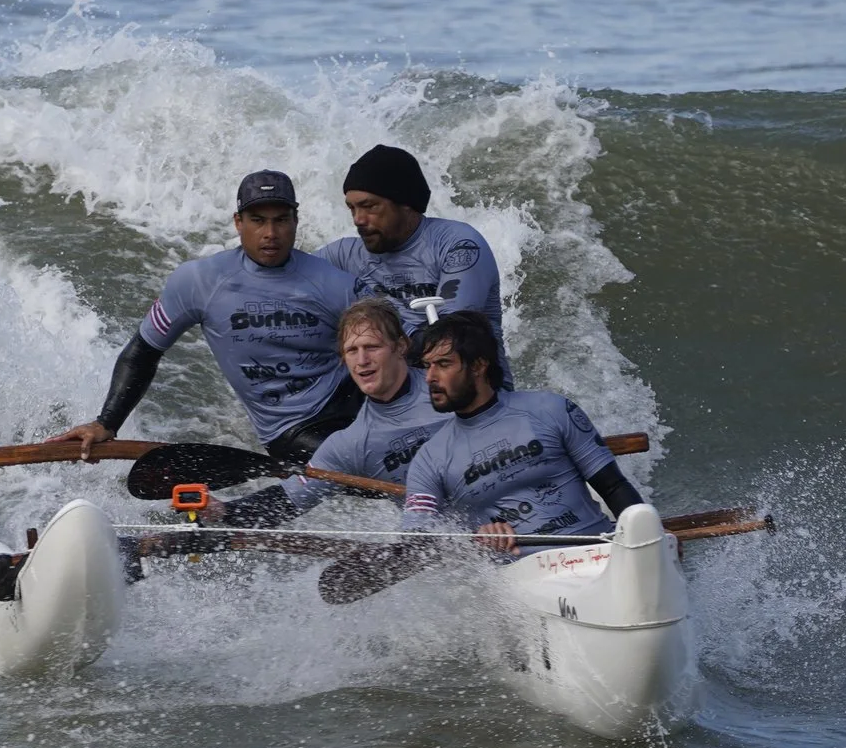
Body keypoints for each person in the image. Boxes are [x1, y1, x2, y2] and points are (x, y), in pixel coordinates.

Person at [52, 169, 360, 464]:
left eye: (281, 220)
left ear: (295, 220)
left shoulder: (334, 282)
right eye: (257, 221)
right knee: (360, 460)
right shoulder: (199, 282)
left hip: (357, 402)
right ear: (238, 222)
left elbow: (382, 345)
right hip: (294, 428)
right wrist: (106, 423)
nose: (270, 233)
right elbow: (144, 351)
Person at [398, 309, 643, 556]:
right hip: (520, 572)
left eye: (443, 364)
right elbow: (416, 543)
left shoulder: (551, 409)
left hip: (599, 554)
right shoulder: (429, 460)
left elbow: (613, 487)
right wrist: (472, 538)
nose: (429, 377)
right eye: (427, 366)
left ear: (478, 366)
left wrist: (645, 539)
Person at [200, 298, 442, 527]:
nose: (362, 360)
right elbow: (287, 500)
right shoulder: (351, 443)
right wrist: (222, 511)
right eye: (352, 350)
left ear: (400, 346)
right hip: (438, 541)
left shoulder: (452, 389)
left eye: (372, 347)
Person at [321, 144, 507, 379]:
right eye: (352, 208)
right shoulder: (343, 255)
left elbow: (449, 339)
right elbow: (286, 276)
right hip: (392, 394)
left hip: (468, 391)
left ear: (405, 203)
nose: (358, 219)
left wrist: (389, 330)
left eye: (369, 206)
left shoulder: (458, 244)